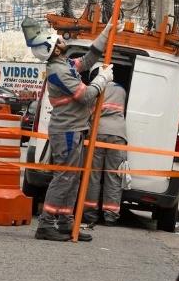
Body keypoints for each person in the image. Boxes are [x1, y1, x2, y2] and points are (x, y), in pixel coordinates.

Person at [22, 17, 118, 242]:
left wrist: (106, 33)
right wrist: (102, 80)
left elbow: (87, 60)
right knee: (64, 178)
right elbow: (85, 96)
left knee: (72, 178)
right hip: (66, 131)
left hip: (74, 129)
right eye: (57, 42)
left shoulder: (64, 64)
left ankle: (65, 223)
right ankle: (46, 224)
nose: (62, 41)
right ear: (53, 50)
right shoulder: (58, 71)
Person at [83, 62, 128, 226]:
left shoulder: (95, 88)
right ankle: (110, 215)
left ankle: (90, 214)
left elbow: (86, 112)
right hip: (118, 135)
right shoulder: (122, 90)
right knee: (113, 176)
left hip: (98, 133)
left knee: (93, 175)